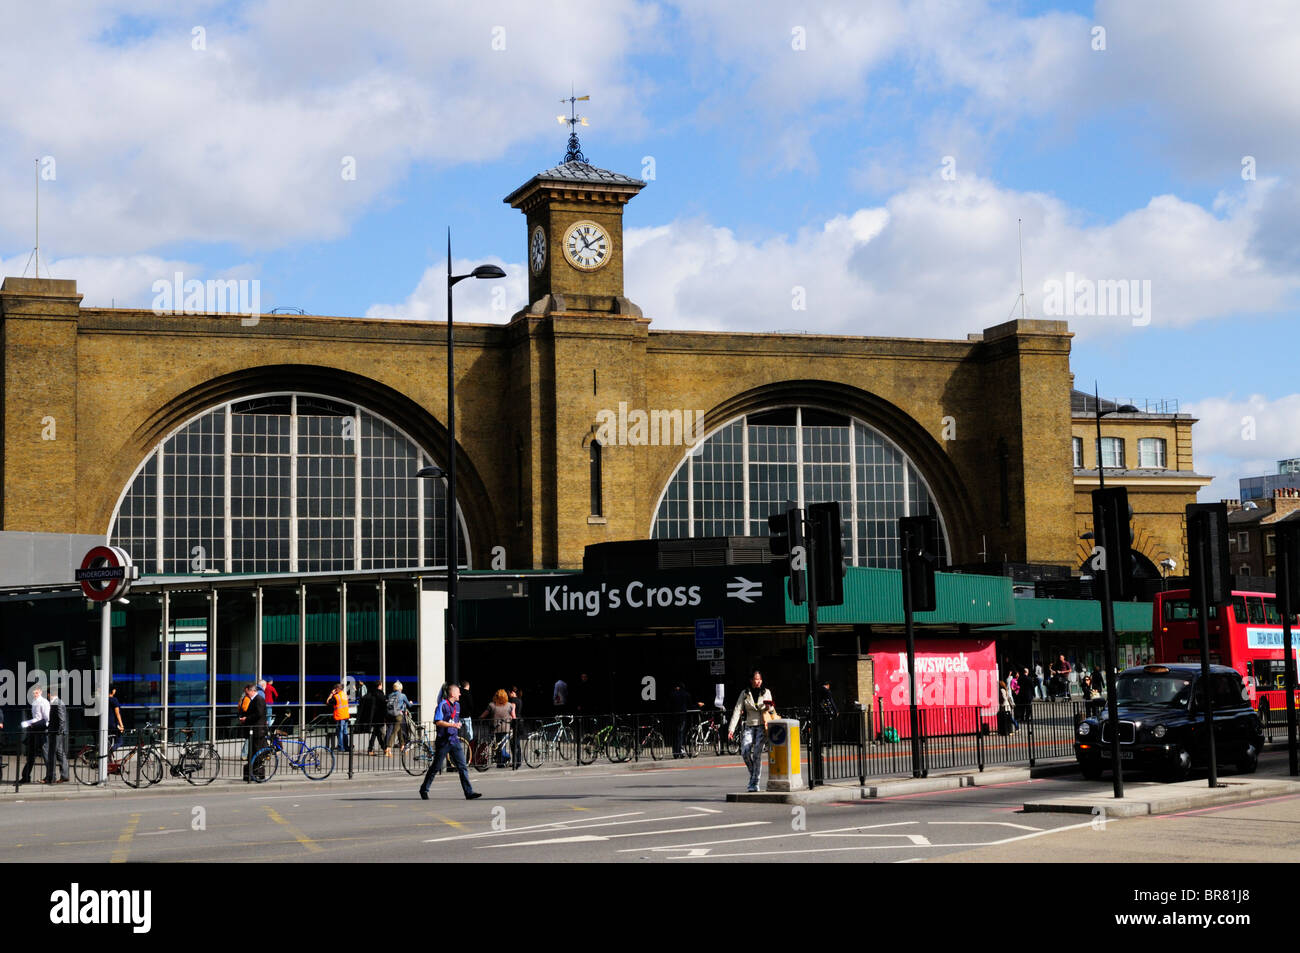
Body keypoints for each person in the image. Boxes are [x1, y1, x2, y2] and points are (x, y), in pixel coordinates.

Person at [419, 683, 481, 800]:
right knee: (436, 767)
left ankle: (469, 792)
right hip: (443, 741)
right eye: (458, 692)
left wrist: (458, 725)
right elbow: (438, 721)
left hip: (454, 740)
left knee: (462, 766)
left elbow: (456, 719)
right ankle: (424, 789)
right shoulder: (442, 705)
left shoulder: (457, 705)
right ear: (452, 693)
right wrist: (452, 724)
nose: (460, 694)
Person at [728, 670, 775, 793]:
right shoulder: (745, 693)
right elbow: (737, 710)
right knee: (744, 751)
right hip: (749, 726)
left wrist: (769, 706)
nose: (758, 681)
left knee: (757, 754)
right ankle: (754, 775)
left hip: (762, 725)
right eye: (756, 679)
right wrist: (731, 729)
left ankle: (754, 782)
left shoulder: (766, 692)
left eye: (760, 679)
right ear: (751, 680)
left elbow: (771, 709)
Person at [19, 686, 50, 785]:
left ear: (40, 692)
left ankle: (50, 776)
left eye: (36, 693)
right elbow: (36, 717)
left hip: (41, 731)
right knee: (31, 754)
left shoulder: (44, 702)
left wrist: (33, 724)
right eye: (33, 693)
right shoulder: (35, 702)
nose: (34, 695)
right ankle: (25, 776)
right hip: (34, 730)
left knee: (45, 754)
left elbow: (46, 718)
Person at [239, 683, 268, 780]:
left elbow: (258, 714)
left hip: (258, 731)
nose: (246, 694)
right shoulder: (254, 699)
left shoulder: (258, 699)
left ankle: (258, 774)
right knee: (253, 752)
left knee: (257, 752)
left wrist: (246, 719)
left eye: (247, 692)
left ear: (252, 691)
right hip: (255, 731)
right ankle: (253, 774)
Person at [481, 689, 515, 766]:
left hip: (495, 728)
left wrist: (480, 718)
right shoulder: (509, 705)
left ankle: (504, 759)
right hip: (506, 728)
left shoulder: (491, 705)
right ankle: (502, 761)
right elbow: (513, 716)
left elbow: (484, 715)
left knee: (498, 746)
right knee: (500, 746)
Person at [46, 686, 70, 783]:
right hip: (57, 732)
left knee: (52, 754)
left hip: (56, 733)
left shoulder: (57, 703)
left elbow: (62, 719)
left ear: (49, 694)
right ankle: (64, 775)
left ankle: (51, 777)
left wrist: (59, 731)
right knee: (60, 753)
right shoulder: (57, 702)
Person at [359, 681, 387, 754]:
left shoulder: (369, 694)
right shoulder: (380, 694)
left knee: (377, 733)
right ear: (379, 686)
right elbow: (384, 706)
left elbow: (363, 700)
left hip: (372, 717)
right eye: (381, 685)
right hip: (379, 716)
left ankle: (383, 748)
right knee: (376, 733)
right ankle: (371, 749)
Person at [385, 681, 410, 755]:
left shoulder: (390, 695)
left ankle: (402, 746)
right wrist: (411, 703)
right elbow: (409, 705)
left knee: (399, 730)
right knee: (395, 731)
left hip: (390, 715)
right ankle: (388, 748)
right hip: (398, 715)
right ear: (400, 688)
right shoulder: (402, 695)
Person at [328, 683, 351, 752]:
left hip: (340, 716)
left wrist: (331, 694)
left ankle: (341, 747)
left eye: (335, 688)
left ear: (337, 689)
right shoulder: (345, 695)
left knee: (340, 732)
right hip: (346, 716)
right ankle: (346, 747)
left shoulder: (336, 696)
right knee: (345, 732)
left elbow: (328, 702)